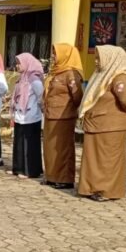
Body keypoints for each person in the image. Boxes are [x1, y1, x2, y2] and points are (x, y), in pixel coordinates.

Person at [78, 45, 126, 202]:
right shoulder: (102, 75)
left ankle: (107, 191)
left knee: (108, 160)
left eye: (99, 58)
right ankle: (92, 187)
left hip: (111, 126)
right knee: (95, 159)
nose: (96, 61)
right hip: (97, 124)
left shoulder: (119, 77)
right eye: (96, 58)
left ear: (111, 59)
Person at [43, 44, 83, 189]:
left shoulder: (71, 74)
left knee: (63, 148)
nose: (53, 56)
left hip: (64, 117)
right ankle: (52, 176)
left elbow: (77, 96)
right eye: (53, 53)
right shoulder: (56, 72)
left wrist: (70, 109)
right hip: (51, 115)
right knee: (51, 148)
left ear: (65, 55)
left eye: (56, 54)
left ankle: (65, 179)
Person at [10, 53, 44, 178]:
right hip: (21, 115)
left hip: (31, 115)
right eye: (17, 63)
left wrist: (38, 108)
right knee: (19, 142)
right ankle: (18, 168)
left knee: (29, 144)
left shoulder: (34, 78)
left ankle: (30, 170)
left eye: (19, 63)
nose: (17, 66)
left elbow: (41, 95)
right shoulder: (22, 78)